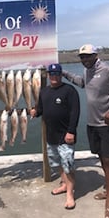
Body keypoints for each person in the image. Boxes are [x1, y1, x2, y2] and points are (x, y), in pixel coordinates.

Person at [62, 44, 109, 218]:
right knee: (101, 157)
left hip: (108, 124)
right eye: (82, 57)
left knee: (108, 161)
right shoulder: (88, 71)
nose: (84, 59)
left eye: (88, 56)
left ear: (96, 55)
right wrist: (63, 73)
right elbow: (82, 83)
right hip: (93, 123)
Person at [30, 63, 80, 210]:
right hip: (51, 136)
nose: (54, 77)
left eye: (57, 74)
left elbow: (75, 113)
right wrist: (35, 112)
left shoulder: (69, 91)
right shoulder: (44, 91)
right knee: (56, 164)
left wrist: (71, 131)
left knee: (68, 166)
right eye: (52, 74)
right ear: (49, 75)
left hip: (66, 137)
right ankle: (64, 184)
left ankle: (70, 194)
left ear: (61, 75)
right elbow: (41, 109)